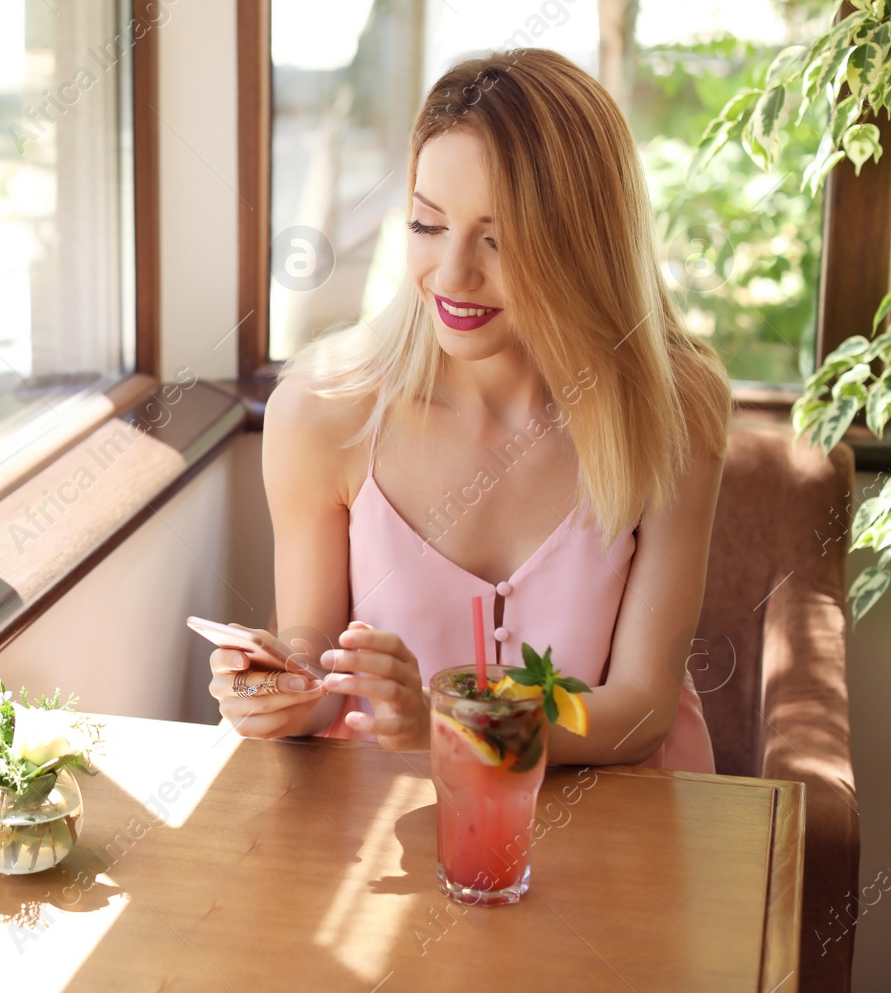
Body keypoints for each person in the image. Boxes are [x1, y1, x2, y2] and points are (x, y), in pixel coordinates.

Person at [209, 48, 729, 772]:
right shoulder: (324, 413)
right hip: (394, 845)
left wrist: (451, 721)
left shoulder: (672, 408)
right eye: (427, 225)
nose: (452, 274)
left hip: (624, 823)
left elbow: (642, 706)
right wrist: (275, 691)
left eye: (500, 237)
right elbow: (317, 675)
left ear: (583, 241)